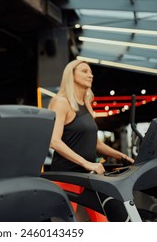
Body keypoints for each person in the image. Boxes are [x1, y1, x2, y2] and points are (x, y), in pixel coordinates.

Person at [48, 59, 134, 221]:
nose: (90, 75)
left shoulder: (87, 104)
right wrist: (87, 163)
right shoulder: (62, 102)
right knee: (62, 226)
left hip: (88, 175)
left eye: (91, 72)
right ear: (71, 76)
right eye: (84, 71)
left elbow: (95, 143)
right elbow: (54, 141)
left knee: (102, 222)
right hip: (67, 175)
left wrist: (122, 157)